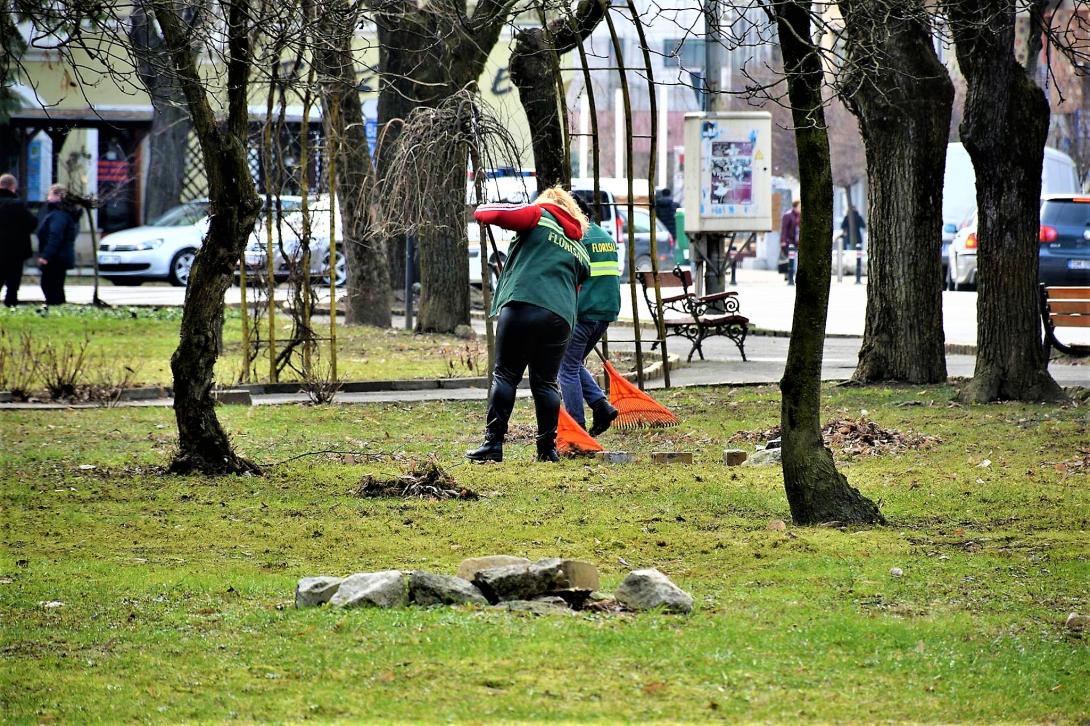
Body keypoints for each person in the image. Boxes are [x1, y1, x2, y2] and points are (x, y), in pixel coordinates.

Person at [467, 186, 591, 463]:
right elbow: (577, 289)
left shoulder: (539, 215)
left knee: (505, 375)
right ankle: (547, 449)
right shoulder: (580, 248)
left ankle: (493, 444)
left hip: (524, 303)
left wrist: (482, 212)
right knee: (546, 383)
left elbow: (491, 213)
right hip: (561, 318)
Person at [558, 196, 621, 435]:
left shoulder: (576, 238)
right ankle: (601, 406)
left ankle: (577, 427)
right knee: (572, 363)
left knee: (566, 367)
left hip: (583, 314)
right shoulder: (605, 237)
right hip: (605, 314)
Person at [36, 184, 79, 306]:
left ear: (57, 196)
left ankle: (56, 308)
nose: (48, 198)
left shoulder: (58, 215)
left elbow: (55, 236)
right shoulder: (62, 213)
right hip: (60, 256)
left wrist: (46, 256)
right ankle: (58, 308)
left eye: (50, 195)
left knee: (49, 285)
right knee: (56, 285)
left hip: (55, 258)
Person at [0, 174, 38, 307]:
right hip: (15, 251)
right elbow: (32, 223)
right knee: (13, 283)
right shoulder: (17, 205)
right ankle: (10, 305)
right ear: (13, 187)